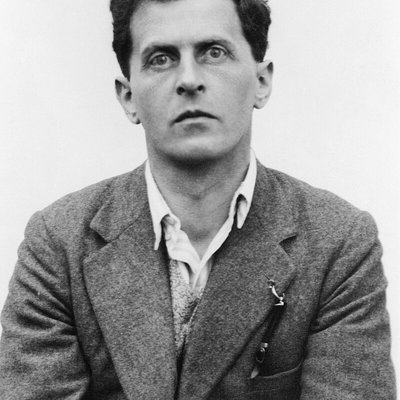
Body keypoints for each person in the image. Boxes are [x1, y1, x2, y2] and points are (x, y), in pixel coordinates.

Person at [0, 0, 396, 398]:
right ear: (128, 96)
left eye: (214, 52)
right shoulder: (59, 244)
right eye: (161, 59)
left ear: (261, 82)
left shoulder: (338, 243)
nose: (189, 80)